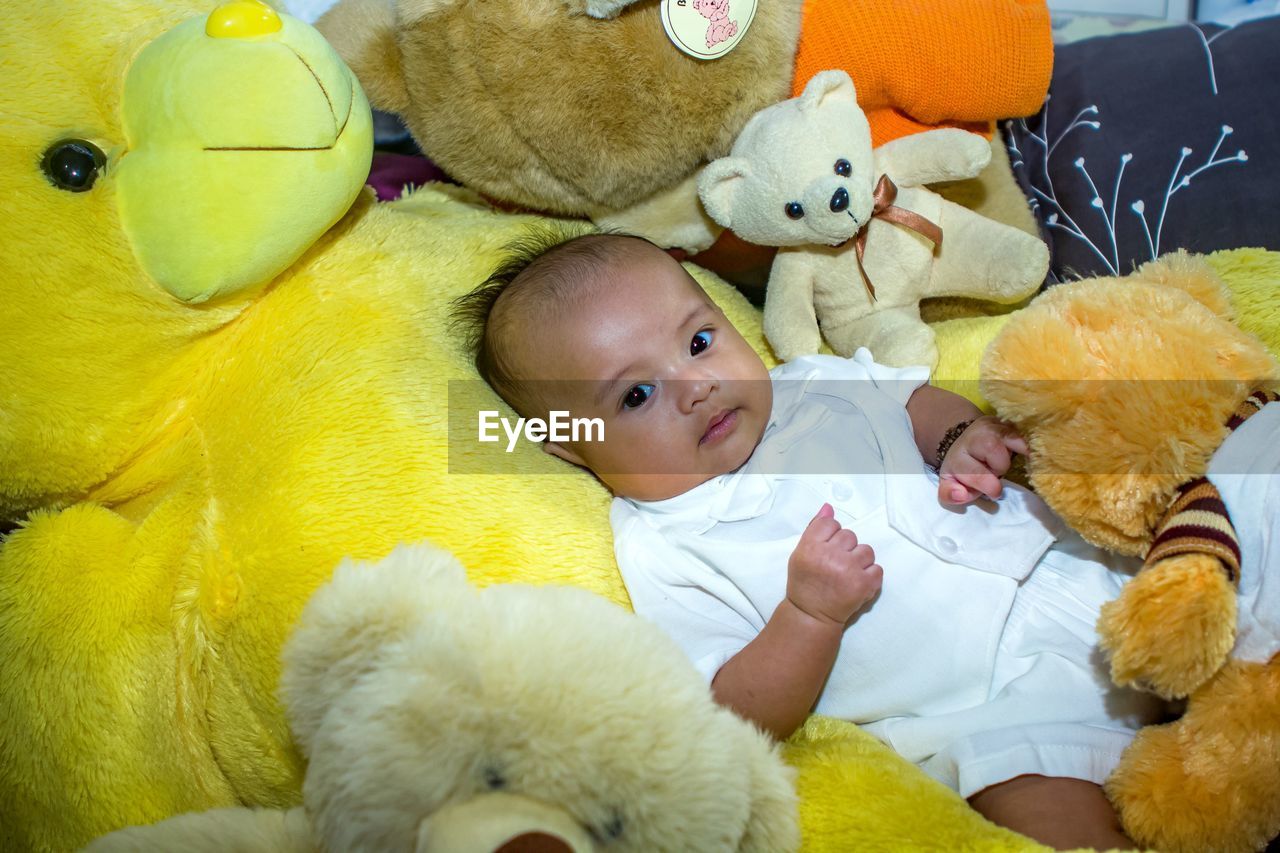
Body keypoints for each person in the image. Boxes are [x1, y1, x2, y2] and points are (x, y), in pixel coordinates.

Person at [452, 230, 1161, 850]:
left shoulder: (814, 381)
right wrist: (809, 616)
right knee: (1040, 810)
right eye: (636, 395)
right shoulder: (666, 546)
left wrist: (957, 437)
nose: (695, 387)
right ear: (571, 447)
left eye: (699, 343)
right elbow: (735, 710)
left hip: (1086, 565)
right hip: (996, 707)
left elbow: (912, 401)